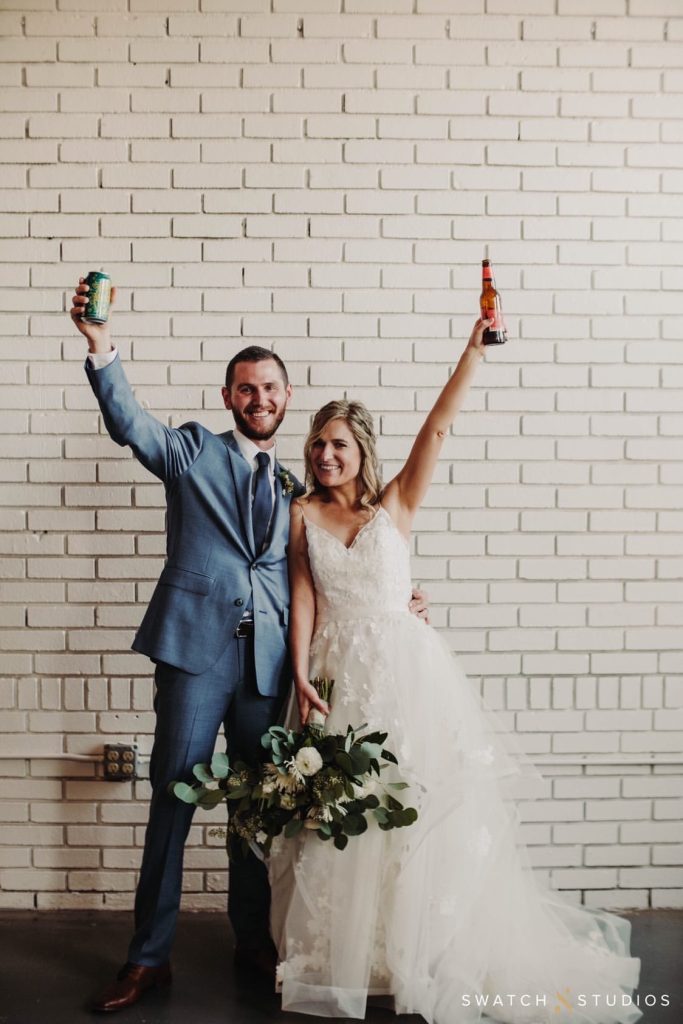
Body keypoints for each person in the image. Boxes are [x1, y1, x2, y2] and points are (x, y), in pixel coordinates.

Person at [68, 276, 428, 1014]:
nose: (257, 398)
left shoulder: (303, 487)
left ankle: (253, 940)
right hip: (195, 656)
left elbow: (325, 575)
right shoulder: (191, 452)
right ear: (229, 397)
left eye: (269, 388)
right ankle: (148, 958)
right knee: (174, 801)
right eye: (244, 388)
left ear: (285, 397)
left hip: (268, 668)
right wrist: (101, 348)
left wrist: (403, 599)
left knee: (260, 808)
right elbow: (131, 423)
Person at [269, 318, 643, 1024]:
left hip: (406, 676)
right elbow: (302, 602)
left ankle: (422, 953)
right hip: (337, 675)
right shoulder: (300, 513)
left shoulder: (395, 505)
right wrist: (301, 678)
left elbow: (437, 430)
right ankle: (356, 958)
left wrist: (471, 352)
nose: (324, 454)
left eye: (338, 444)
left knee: (416, 809)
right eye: (316, 443)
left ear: (361, 451)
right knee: (342, 818)